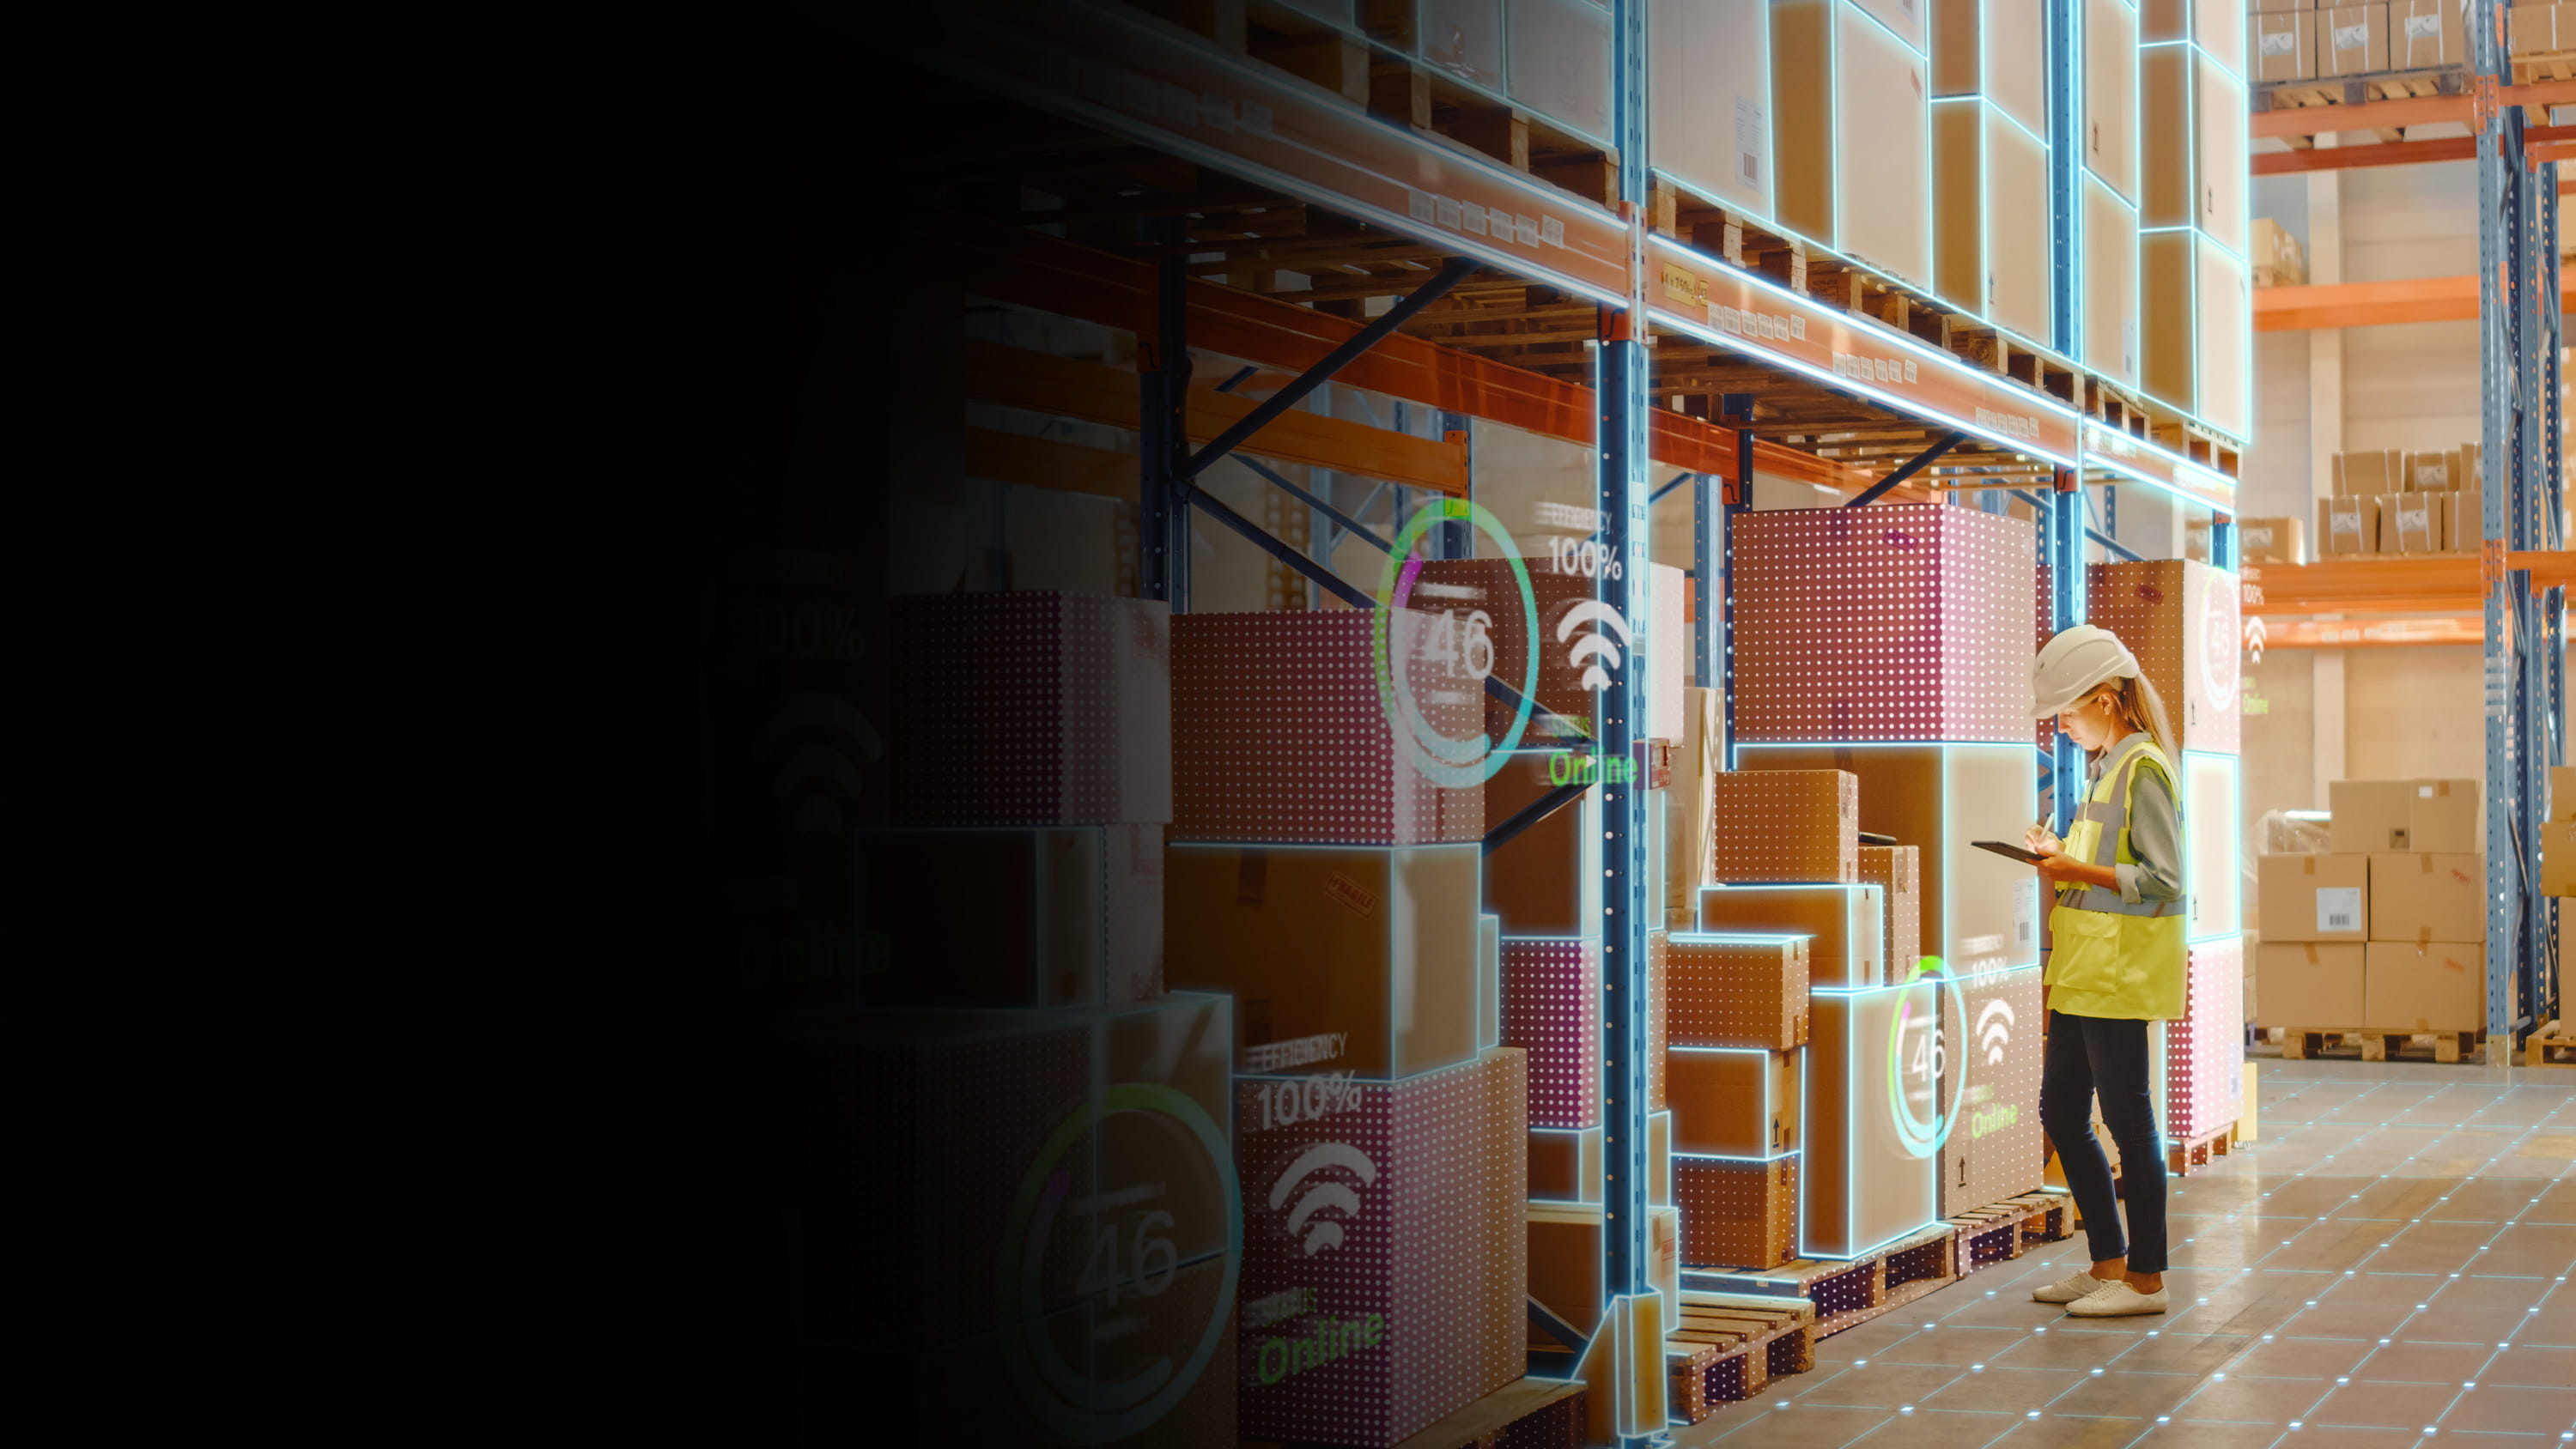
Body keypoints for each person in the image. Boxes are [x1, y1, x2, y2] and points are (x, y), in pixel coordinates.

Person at [2020, 625, 2188, 1319]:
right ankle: (2108, 1262)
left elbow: (2165, 878)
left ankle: (2147, 1279)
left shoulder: (2142, 767)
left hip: (2119, 976)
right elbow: (2097, 877)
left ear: (2105, 700)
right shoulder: (2103, 768)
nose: (2062, 727)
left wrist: (2072, 867)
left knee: (2129, 1121)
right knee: (2060, 1110)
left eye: (2068, 712)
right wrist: (2055, 854)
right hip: (2085, 971)